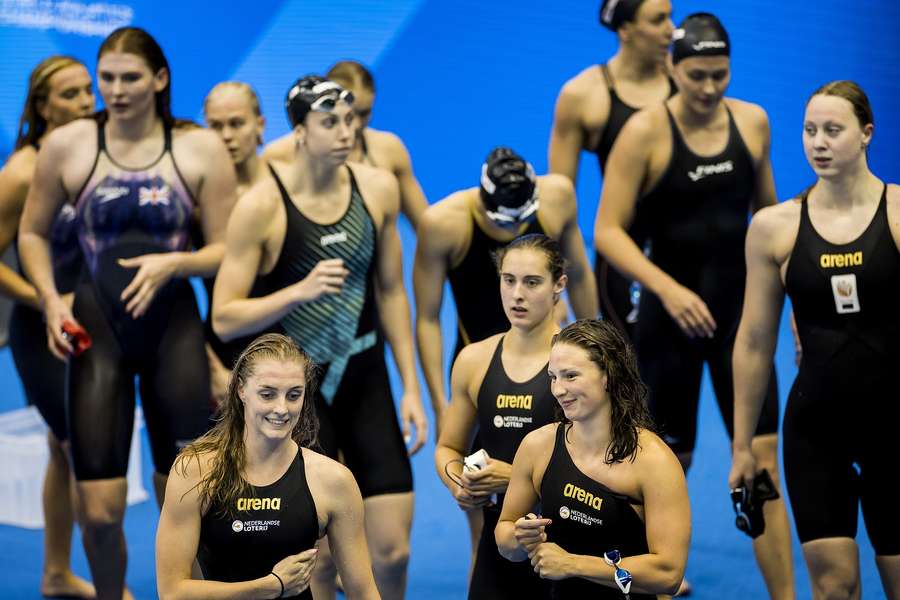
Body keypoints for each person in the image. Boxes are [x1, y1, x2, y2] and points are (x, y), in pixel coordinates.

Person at [18, 27, 237, 600]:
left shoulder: (198, 149)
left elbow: (227, 247)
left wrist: (173, 266)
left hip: (175, 330)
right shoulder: (68, 146)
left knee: (187, 493)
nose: (115, 90)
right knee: (99, 510)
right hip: (98, 332)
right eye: (106, 78)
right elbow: (33, 234)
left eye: (130, 78)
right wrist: (46, 297)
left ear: (160, 80)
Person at [593, 13, 794, 597]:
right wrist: (668, 289)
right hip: (668, 325)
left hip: (740, 323)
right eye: (697, 75)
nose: (709, 88)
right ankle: (646, 582)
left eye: (720, 75)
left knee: (762, 466)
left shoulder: (752, 123)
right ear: (672, 69)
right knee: (661, 469)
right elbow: (607, 230)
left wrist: (794, 309)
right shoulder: (644, 133)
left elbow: (772, 218)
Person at [212, 75, 426, 600]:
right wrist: (295, 292)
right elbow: (223, 317)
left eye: (350, 120)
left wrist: (412, 385)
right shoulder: (262, 206)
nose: (345, 131)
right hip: (301, 392)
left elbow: (393, 292)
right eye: (329, 122)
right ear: (300, 132)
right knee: (322, 559)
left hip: (365, 375)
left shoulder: (377, 189)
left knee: (393, 550)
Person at [730, 80, 900, 600]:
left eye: (833, 130)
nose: (818, 142)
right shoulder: (774, 229)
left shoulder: (897, 213)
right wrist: (742, 446)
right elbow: (755, 341)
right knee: (833, 587)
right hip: (816, 429)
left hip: (895, 428)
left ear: (867, 134)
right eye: (809, 131)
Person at [156, 333, 381, 600]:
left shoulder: (333, 480)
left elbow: (364, 592)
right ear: (241, 389)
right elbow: (172, 592)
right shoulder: (195, 470)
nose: (281, 408)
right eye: (267, 394)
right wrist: (269, 586)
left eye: (294, 395)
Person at [496, 319, 689, 598]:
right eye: (553, 376)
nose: (558, 390)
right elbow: (505, 537)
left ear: (607, 375)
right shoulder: (538, 447)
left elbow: (668, 574)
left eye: (571, 376)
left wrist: (574, 564)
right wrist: (519, 539)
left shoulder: (654, 462)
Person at [0, 55, 95, 600]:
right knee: (82, 450)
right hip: (40, 336)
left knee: (64, 452)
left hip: (91, 330)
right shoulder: (22, 170)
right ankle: (105, 578)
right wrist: (46, 302)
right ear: (41, 106)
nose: (86, 102)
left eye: (88, 91)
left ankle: (56, 574)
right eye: (70, 94)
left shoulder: (98, 156)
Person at [435, 233, 566, 598]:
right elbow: (448, 447)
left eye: (532, 282)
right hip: (499, 548)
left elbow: (602, 471)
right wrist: (457, 482)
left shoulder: (579, 364)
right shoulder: (474, 361)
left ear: (559, 285)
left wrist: (517, 479)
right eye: (508, 280)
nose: (517, 294)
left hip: (569, 546)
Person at [549, 0, 674, 339]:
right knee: (634, 381)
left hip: (691, 253)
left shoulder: (689, 82)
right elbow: (558, 203)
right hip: (625, 261)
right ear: (625, 29)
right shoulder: (583, 96)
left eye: (671, 16)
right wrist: (554, 290)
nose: (671, 29)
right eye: (659, 19)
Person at [264, 60, 427, 228]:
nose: (353, 126)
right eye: (346, 115)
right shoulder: (278, 156)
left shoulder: (389, 150)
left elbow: (426, 227)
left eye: (363, 114)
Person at [201, 81, 271, 402]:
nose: (226, 136)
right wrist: (213, 369)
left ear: (259, 125)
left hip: (291, 354)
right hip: (226, 355)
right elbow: (175, 303)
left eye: (236, 123)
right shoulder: (197, 206)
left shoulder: (288, 189)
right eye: (215, 126)